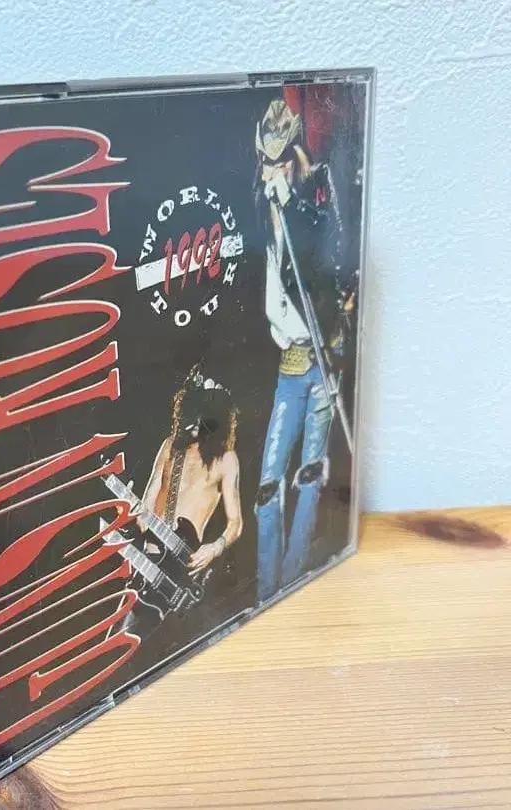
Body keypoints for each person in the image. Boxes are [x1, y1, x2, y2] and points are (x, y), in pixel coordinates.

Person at [252, 98, 356, 603]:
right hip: (288, 366)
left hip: (321, 357)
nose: (273, 172)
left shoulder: (313, 204)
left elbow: (325, 256)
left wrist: (290, 205)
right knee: (268, 484)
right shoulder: (262, 210)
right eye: (266, 163)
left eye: (281, 162)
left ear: (295, 159)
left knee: (311, 472)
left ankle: (294, 578)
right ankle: (265, 589)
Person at [139, 366, 243, 574]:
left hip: (186, 563)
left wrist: (214, 549)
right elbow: (148, 500)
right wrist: (138, 517)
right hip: (151, 557)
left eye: (203, 416)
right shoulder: (170, 446)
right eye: (194, 413)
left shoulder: (226, 460)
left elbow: (236, 522)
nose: (195, 421)